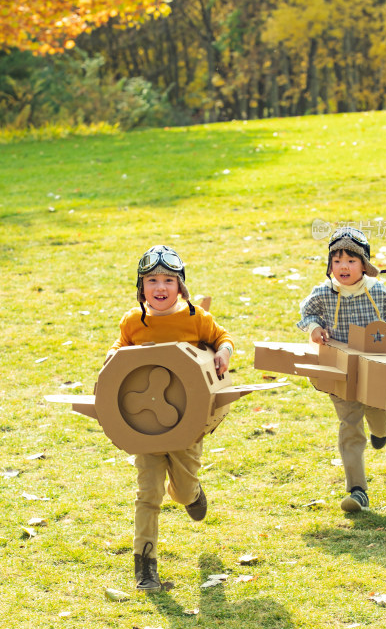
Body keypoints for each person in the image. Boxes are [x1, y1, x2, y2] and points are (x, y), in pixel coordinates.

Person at [107, 244, 234, 591]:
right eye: (151, 281)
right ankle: (145, 567)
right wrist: (111, 356)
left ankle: (191, 494)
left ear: (180, 286)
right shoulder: (134, 321)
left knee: (179, 491)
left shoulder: (194, 317)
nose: (160, 288)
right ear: (141, 287)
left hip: (186, 425)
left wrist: (223, 351)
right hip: (145, 424)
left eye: (168, 280)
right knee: (148, 493)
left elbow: (223, 338)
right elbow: (120, 351)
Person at [297, 227, 386, 513]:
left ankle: (383, 429)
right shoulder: (323, 293)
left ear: (364, 265)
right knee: (350, 425)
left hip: (377, 366)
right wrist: (315, 328)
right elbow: (306, 314)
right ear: (330, 265)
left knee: (379, 414)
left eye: (351, 261)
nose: (344, 266)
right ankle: (357, 490)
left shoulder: (376, 290)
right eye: (337, 260)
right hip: (341, 369)